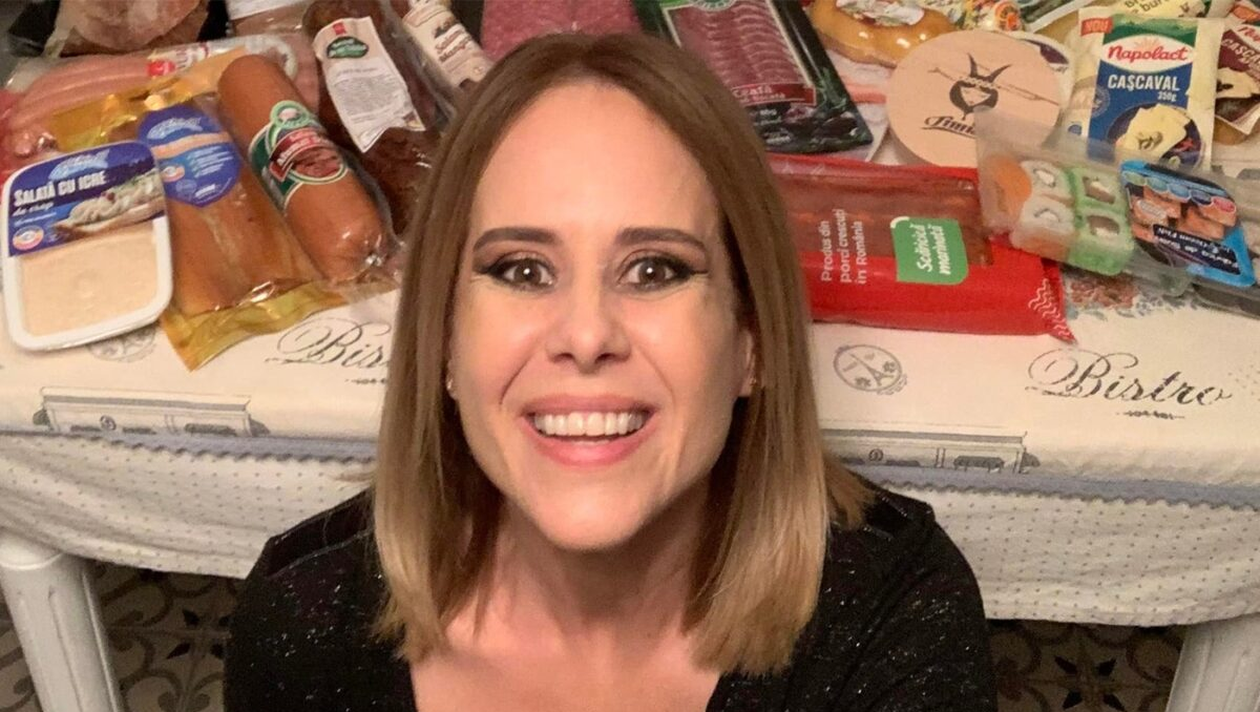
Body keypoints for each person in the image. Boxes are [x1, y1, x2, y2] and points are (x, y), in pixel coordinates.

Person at [224, 32, 997, 712]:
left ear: (752, 341)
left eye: (656, 268)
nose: (587, 335)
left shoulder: (894, 616)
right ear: (444, 342)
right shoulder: (304, 621)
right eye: (522, 270)